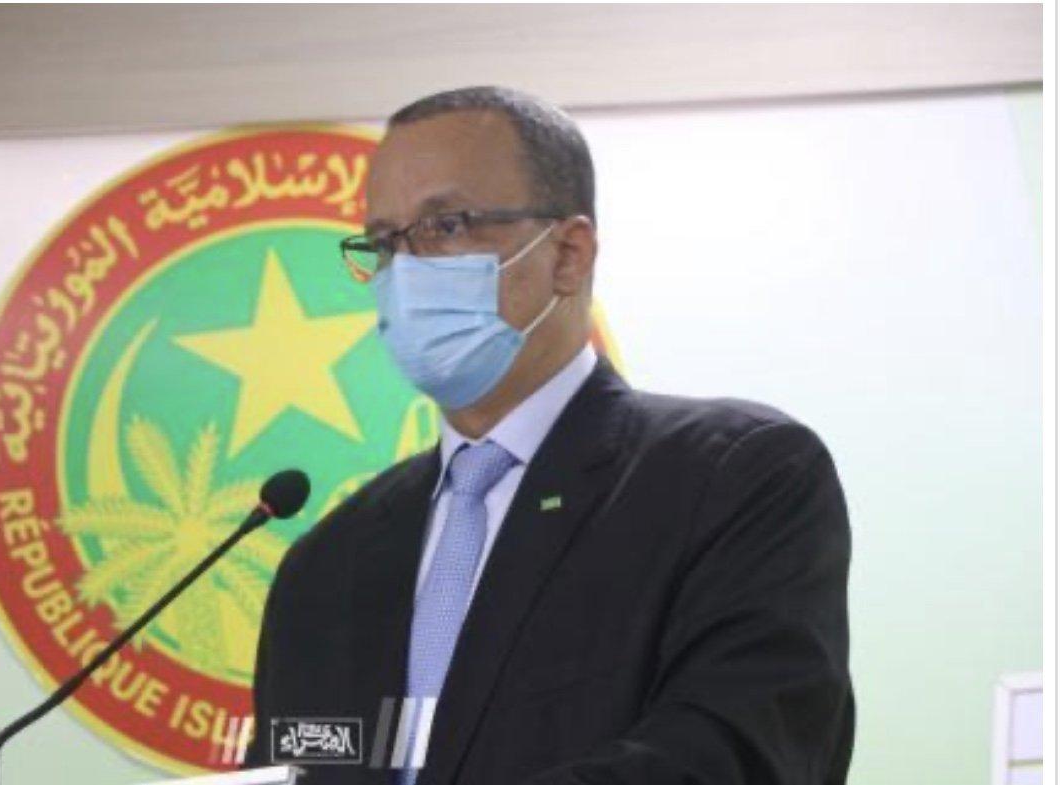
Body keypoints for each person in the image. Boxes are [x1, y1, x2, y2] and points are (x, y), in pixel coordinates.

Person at [244, 85, 854, 785]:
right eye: (385, 242)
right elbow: (302, 766)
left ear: (568, 253)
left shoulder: (733, 478)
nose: (406, 271)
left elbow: (736, 754)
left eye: (447, 226)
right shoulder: (328, 562)